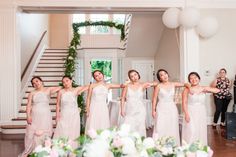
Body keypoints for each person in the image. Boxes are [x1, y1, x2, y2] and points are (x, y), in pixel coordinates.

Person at [19, 76, 61, 157]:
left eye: (37, 81)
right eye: (33, 83)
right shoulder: (32, 93)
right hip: (34, 114)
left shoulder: (48, 90)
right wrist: (28, 116)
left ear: (41, 81)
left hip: (46, 114)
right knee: (33, 132)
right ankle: (34, 149)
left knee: (45, 131)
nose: (35, 84)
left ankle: (44, 148)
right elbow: (28, 106)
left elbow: (60, 87)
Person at [152, 69, 189, 145]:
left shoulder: (173, 84)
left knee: (172, 126)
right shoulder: (158, 86)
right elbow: (154, 99)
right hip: (161, 108)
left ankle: (173, 144)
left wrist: (189, 85)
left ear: (168, 74)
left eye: (165, 73)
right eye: (161, 75)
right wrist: (153, 110)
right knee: (160, 125)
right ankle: (160, 144)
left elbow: (185, 84)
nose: (164, 76)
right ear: (160, 78)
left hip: (172, 107)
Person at [182, 72, 220, 145]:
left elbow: (217, 90)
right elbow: (184, 103)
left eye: (195, 77)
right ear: (189, 81)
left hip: (201, 111)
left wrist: (205, 88)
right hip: (191, 111)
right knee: (191, 130)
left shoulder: (204, 88)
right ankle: (189, 148)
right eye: (191, 78)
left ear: (199, 78)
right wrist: (186, 114)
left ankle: (200, 147)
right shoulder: (186, 90)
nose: (194, 79)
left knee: (200, 129)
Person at [53, 76, 88, 148]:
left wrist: (80, 91)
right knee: (62, 130)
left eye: (67, 81)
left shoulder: (76, 89)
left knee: (73, 131)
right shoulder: (61, 91)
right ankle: (61, 148)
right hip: (64, 114)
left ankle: (72, 149)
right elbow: (57, 105)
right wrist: (57, 116)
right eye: (63, 82)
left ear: (71, 81)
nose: (65, 83)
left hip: (74, 114)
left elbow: (88, 86)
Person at [120, 69, 155, 137]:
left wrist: (150, 84)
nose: (134, 77)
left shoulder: (143, 85)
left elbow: (157, 83)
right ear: (130, 78)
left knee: (140, 127)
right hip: (130, 110)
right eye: (132, 76)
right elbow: (123, 99)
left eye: (135, 74)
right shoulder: (127, 86)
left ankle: (140, 143)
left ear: (138, 75)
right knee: (129, 127)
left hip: (140, 110)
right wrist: (122, 110)